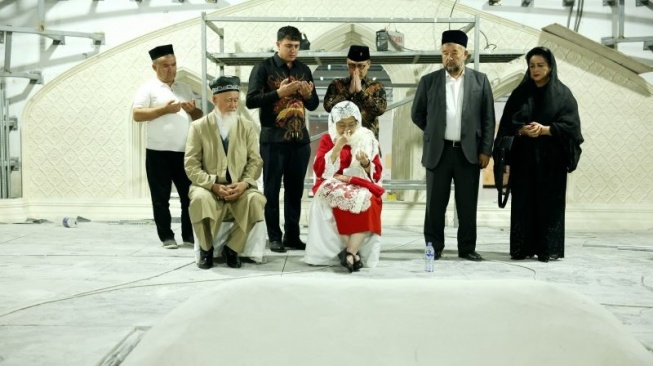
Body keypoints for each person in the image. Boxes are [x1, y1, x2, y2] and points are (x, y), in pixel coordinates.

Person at [492, 47, 583, 262]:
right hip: (524, 159)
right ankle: (522, 248)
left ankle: (547, 249)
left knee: (549, 203)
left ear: (550, 67)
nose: (535, 69)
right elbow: (506, 125)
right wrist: (521, 130)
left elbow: (572, 127)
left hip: (552, 160)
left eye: (540, 65)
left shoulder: (563, 95)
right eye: (532, 66)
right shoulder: (520, 94)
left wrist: (546, 130)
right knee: (524, 202)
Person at [411, 30, 495, 261]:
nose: (449, 57)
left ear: (465, 54)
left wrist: (485, 149)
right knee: (435, 205)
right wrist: (434, 131)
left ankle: (467, 248)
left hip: (469, 153)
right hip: (439, 152)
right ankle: (433, 246)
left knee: (467, 205)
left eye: (454, 52)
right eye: (445, 53)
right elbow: (417, 114)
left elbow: (488, 118)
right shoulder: (429, 82)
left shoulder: (480, 81)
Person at [246, 25, 319, 253]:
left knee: (295, 190)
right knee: (271, 189)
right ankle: (274, 237)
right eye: (289, 46)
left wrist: (307, 96)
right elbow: (251, 100)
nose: (293, 50)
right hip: (273, 139)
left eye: (296, 46)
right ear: (278, 44)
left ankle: (292, 235)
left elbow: (314, 104)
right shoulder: (263, 68)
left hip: (300, 141)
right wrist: (280, 93)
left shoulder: (305, 70)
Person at [184, 76, 266, 269]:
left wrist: (245, 183)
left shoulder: (246, 126)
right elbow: (191, 164)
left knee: (256, 200)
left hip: (240, 186)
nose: (233, 104)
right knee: (199, 200)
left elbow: (255, 161)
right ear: (215, 100)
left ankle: (233, 248)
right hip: (209, 186)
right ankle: (206, 249)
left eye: (236, 100)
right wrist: (212, 184)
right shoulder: (199, 127)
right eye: (228, 100)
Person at [133, 44, 203, 249]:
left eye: (173, 64)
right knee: (160, 198)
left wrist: (193, 111)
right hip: (158, 153)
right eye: (165, 65)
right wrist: (164, 109)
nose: (170, 69)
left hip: (185, 151)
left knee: (189, 196)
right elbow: (137, 115)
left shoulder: (184, 88)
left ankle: (189, 236)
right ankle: (167, 237)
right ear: (155, 67)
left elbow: (198, 117)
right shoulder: (147, 88)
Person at [304, 101, 383, 272]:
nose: (347, 129)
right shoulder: (328, 139)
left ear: (358, 122)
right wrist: (338, 145)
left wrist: (365, 163)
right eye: (341, 125)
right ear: (333, 124)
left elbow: (376, 172)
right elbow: (320, 170)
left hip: (360, 183)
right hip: (335, 182)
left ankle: (349, 252)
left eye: (351, 124)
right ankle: (353, 254)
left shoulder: (367, 138)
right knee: (340, 200)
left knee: (370, 201)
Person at [323, 45, 387, 140]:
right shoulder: (337, 84)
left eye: (361, 66)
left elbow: (380, 110)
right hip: (342, 142)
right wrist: (348, 92)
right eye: (352, 65)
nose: (356, 70)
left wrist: (361, 92)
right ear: (347, 63)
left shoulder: (376, 87)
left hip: (367, 143)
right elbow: (329, 108)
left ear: (368, 64)